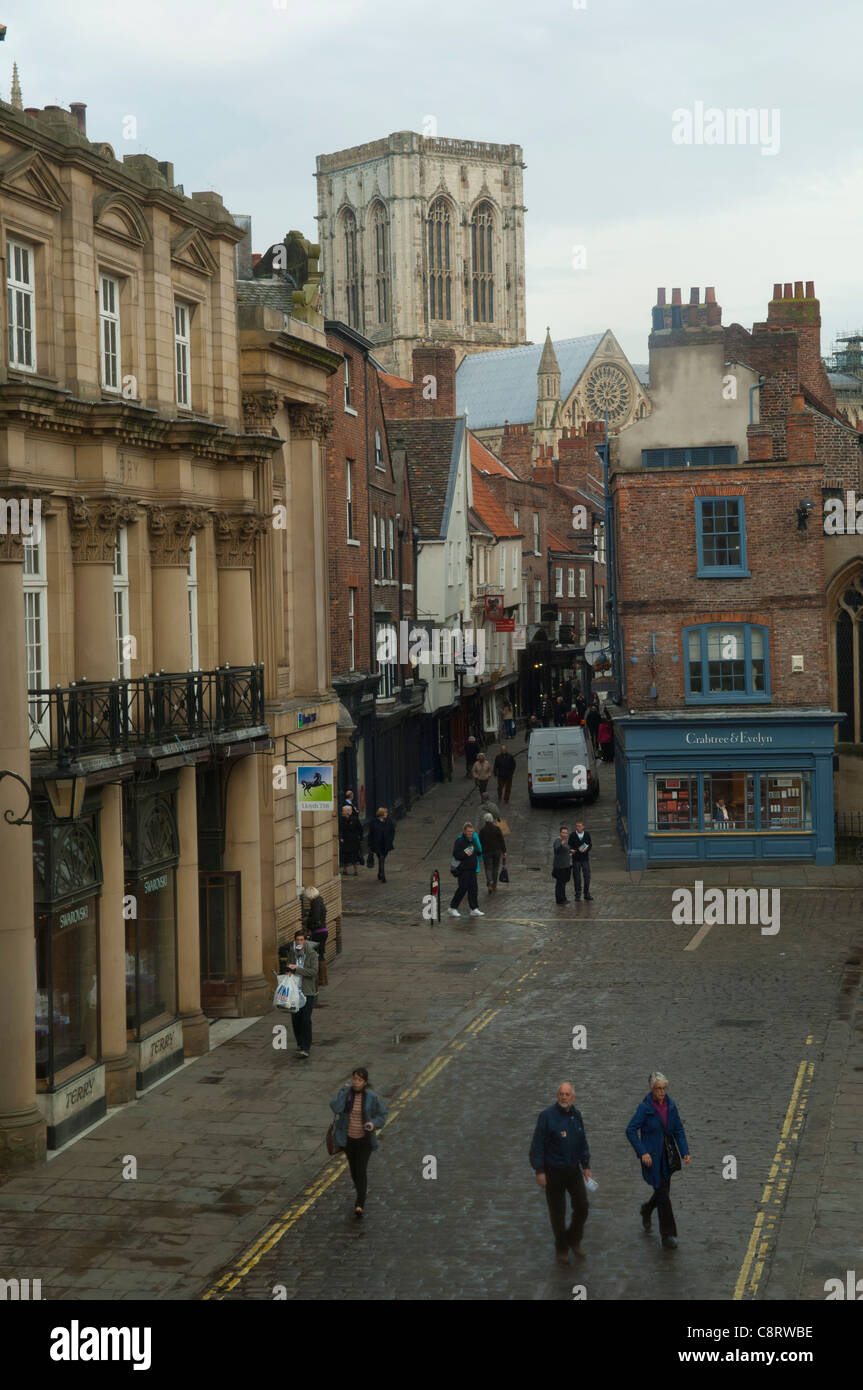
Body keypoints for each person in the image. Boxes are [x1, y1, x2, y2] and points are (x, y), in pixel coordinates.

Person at [625, 1071, 691, 1249]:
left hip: (667, 1159)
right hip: (652, 1161)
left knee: (663, 1194)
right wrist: (642, 1152)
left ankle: (646, 1209)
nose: (662, 1092)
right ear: (652, 1089)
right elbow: (630, 1130)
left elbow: (678, 1129)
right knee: (663, 1196)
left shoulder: (671, 1105)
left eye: (664, 1088)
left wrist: (685, 1151)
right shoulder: (644, 1109)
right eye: (658, 1089)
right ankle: (667, 1234)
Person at [529, 1081, 592, 1266]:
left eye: (567, 1094)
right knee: (558, 1213)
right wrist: (539, 1170)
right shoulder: (547, 1116)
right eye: (561, 1094)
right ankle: (562, 1248)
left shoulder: (576, 1115)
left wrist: (586, 1165)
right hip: (554, 1172)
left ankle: (573, 1238)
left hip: (573, 1171)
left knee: (582, 1206)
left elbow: (582, 1141)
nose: (563, 1097)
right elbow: (537, 1145)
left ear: (573, 1097)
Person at [330, 1068, 389, 1218]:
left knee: (361, 1171)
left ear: (365, 1082)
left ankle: (359, 1204)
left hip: (364, 1141)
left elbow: (383, 1114)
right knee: (354, 1171)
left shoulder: (371, 1097)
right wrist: (343, 1091)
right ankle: (360, 1193)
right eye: (354, 1079)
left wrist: (373, 1123)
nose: (356, 1082)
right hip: (348, 1140)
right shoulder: (347, 1094)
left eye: (359, 1080)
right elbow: (335, 1107)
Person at [283, 928, 318, 1058]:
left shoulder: (312, 954)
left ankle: (306, 1047)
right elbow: (287, 966)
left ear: (305, 941)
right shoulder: (292, 953)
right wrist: (288, 971)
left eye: (301, 940)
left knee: (305, 1019)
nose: (299, 942)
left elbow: (313, 972)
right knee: (295, 1019)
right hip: (294, 991)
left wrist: (298, 969)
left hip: (307, 991)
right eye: (297, 939)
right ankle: (299, 1043)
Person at [448, 821, 485, 918]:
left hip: (472, 869)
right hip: (463, 870)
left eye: (472, 832)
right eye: (468, 831)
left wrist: (475, 850)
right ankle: (452, 908)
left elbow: (478, 850)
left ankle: (474, 908)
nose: (470, 833)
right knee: (462, 888)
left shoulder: (472, 840)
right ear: (464, 831)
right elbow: (456, 855)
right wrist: (467, 851)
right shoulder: (459, 841)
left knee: (473, 889)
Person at [478, 812, 506, 894]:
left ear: (485, 820)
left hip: (487, 852)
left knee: (488, 868)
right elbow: (501, 841)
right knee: (496, 868)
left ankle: (490, 881)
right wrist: (504, 851)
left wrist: (480, 851)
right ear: (491, 819)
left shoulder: (482, 830)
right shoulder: (497, 829)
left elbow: (480, 842)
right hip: (497, 851)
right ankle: (494, 885)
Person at [368, 806, 395, 882]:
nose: (387, 814)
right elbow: (371, 833)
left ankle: (380, 872)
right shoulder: (373, 822)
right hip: (377, 844)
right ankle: (383, 876)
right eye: (385, 812)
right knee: (381, 857)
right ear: (381, 814)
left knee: (382, 858)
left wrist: (391, 840)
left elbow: (392, 831)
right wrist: (370, 844)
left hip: (386, 843)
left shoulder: (389, 821)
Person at [301, 886, 328, 962]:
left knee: (318, 955)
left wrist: (306, 919)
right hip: (323, 930)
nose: (307, 899)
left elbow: (315, 917)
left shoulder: (316, 903)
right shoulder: (319, 901)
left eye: (307, 896)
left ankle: (320, 972)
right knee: (320, 954)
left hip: (318, 932)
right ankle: (322, 973)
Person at [569, 820, 593, 900]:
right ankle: (578, 894)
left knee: (587, 876)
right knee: (577, 877)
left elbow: (590, 844)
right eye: (577, 826)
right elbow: (570, 845)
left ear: (583, 826)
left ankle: (586, 893)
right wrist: (575, 850)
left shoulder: (586, 834)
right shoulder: (572, 835)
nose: (578, 827)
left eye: (579, 826)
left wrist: (587, 849)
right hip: (576, 859)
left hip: (585, 859)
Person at [552, 824, 574, 905]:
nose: (565, 834)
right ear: (560, 833)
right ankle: (560, 900)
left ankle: (563, 898)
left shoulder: (565, 841)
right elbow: (557, 849)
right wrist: (561, 844)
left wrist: (570, 851)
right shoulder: (558, 841)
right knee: (560, 884)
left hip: (565, 866)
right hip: (560, 867)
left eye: (566, 833)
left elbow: (564, 850)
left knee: (563, 883)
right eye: (563, 833)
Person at [339, 804, 363, 875]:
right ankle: (345, 870)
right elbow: (339, 829)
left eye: (343, 811)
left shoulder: (354, 819)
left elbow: (360, 828)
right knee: (345, 856)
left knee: (354, 856)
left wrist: (360, 837)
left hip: (353, 840)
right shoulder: (341, 819)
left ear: (347, 812)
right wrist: (340, 837)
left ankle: (355, 870)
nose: (342, 812)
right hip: (345, 840)